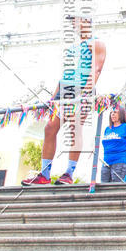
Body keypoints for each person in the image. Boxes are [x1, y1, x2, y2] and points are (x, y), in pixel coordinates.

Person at [22, 16, 107, 186]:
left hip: (81, 90)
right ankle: (45, 174)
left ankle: (69, 173)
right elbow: (66, 73)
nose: (74, 25)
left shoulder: (96, 43)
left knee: (75, 128)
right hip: (64, 91)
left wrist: (85, 93)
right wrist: (53, 98)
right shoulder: (73, 47)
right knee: (49, 128)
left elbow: (96, 69)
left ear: (86, 21)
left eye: (76, 21)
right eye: (72, 22)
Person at [100, 104, 126, 183]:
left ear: (121, 114)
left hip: (120, 160)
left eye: (115, 112)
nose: (112, 114)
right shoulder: (107, 129)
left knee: (115, 185)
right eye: (111, 113)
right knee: (103, 185)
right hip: (106, 161)